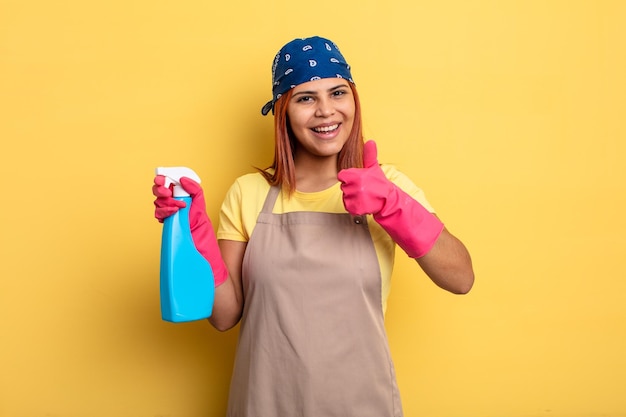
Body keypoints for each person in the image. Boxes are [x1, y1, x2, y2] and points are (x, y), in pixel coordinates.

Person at [153, 36, 474, 417]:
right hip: (264, 403)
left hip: (360, 405)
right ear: (283, 112)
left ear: (353, 99)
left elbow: (461, 278)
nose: (326, 111)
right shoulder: (249, 193)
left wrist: (393, 205)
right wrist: (195, 232)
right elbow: (224, 317)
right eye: (306, 98)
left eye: (337, 92)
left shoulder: (386, 184)